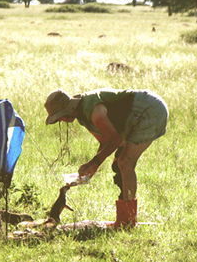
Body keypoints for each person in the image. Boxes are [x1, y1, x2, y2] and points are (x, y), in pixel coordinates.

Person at [44, 88, 168, 228]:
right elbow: (105, 142)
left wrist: (95, 163)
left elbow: (115, 140)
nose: (61, 120)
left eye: (60, 117)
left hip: (148, 109)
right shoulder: (82, 115)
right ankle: (125, 218)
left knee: (125, 163)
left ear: (67, 110)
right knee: (119, 166)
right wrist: (91, 167)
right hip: (139, 114)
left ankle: (129, 220)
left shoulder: (93, 112)